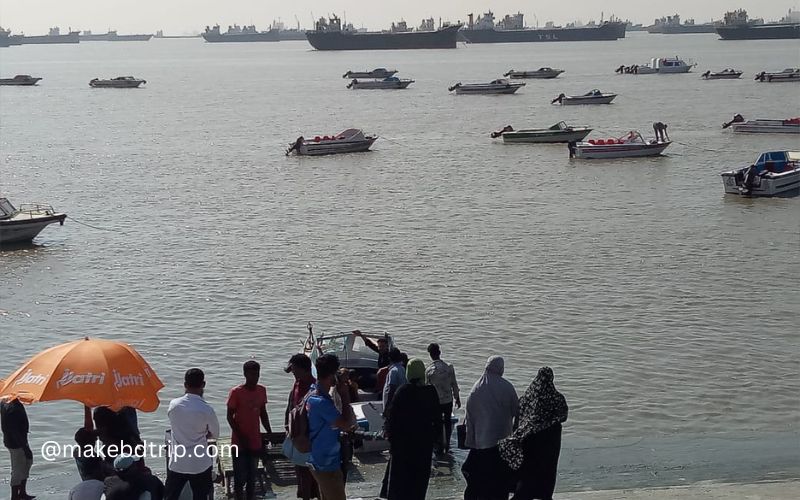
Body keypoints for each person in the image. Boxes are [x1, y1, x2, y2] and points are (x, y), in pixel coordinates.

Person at [499, 367, 568, 500]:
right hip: (550, 441)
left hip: (530, 440)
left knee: (528, 469)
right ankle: (545, 495)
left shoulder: (527, 398)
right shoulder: (557, 398)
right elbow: (564, 416)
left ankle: (523, 494)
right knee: (548, 470)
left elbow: (518, 419)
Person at [462, 356, 519, 500]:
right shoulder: (507, 387)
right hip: (503, 442)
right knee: (500, 481)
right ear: (501, 368)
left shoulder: (475, 389)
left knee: (483, 480)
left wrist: (471, 442)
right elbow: (516, 411)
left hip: (482, 444)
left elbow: (470, 418)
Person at [384, 358, 440, 500]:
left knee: (399, 485)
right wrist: (436, 441)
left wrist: (390, 439)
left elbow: (392, 417)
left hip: (403, 446)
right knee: (418, 484)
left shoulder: (403, 391)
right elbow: (438, 419)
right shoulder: (431, 391)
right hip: (423, 446)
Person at [306, 354, 356, 500]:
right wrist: (344, 394)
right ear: (332, 375)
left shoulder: (313, 392)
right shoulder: (322, 403)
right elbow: (346, 424)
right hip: (326, 465)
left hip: (318, 459)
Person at [165, 368, 220, 500]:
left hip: (178, 462)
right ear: (203, 384)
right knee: (200, 496)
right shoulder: (207, 410)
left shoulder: (173, 405)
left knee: (170, 496)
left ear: (185, 385)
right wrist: (205, 434)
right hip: (199, 463)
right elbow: (215, 434)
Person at [227, 360, 272, 500]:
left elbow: (263, 413)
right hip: (239, 442)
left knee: (252, 477)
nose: (255, 377)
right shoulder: (236, 392)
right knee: (239, 479)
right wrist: (241, 437)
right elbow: (229, 417)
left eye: (257, 374)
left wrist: (269, 432)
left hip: (255, 441)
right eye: (252, 374)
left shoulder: (261, 390)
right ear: (245, 374)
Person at [284, 354, 319, 500]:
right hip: (296, 434)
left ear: (304, 369)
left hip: (310, 437)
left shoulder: (315, 387)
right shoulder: (297, 383)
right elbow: (291, 403)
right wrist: (287, 424)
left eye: (294, 370)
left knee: (310, 474)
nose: (293, 373)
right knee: (300, 472)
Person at [425, 343, 461, 454]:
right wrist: (457, 398)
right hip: (447, 400)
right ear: (439, 353)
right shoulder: (449, 367)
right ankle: (448, 443)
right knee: (447, 422)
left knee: (437, 423)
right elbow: (454, 384)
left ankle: (439, 445)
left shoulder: (429, 371)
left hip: (436, 402)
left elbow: (427, 388)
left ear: (430, 355)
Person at [1, 398, 34, 500]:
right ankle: (15, 496)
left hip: (13, 440)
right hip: (17, 443)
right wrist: (25, 447)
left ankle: (22, 492)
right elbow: (14, 430)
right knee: (18, 469)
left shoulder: (5, 402)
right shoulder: (14, 408)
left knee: (26, 463)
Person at [382, 348, 407, 417]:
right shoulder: (402, 368)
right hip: (399, 403)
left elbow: (391, 389)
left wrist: (387, 408)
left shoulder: (393, 371)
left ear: (389, 358)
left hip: (393, 405)